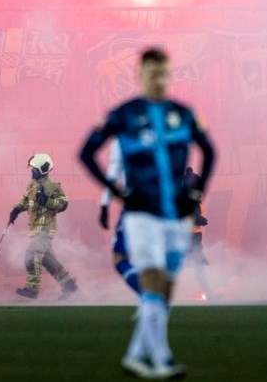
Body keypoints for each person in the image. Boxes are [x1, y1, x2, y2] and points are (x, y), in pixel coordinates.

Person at [80, 47, 217, 380]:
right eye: (151, 73)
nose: (157, 79)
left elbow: (209, 150)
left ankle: (135, 356)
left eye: (162, 73)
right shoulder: (123, 114)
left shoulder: (183, 114)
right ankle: (163, 359)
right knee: (153, 279)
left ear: (168, 76)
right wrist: (116, 194)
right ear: (140, 76)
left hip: (176, 216)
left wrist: (197, 193)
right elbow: (87, 153)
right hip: (141, 213)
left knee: (165, 289)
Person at [9, 153, 77, 300]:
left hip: (45, 229)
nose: (31, 171)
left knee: (31, 255)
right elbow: (26, 202)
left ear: (42, 169)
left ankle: (32, 288)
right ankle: (69, 284)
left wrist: (47, 201)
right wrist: (16, 210)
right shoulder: (31, 186)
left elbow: (63, 204)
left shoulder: (52, 187)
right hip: (35, 229)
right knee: (47, 259)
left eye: (34, 169)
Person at [100, 143, 140, 295]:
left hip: (136, 203)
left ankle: (149, 299)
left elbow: (113, 174)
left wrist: (104, 205)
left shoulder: (121, 138)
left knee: (120, 258)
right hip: (161, 202)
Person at [182, 167, 215, 301]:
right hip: (188, 236)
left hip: (194, 236)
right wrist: (199, 220)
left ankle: (210, 294)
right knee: (196, 266)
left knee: (197, 267)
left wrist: (199, 220)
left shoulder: (193, 199)